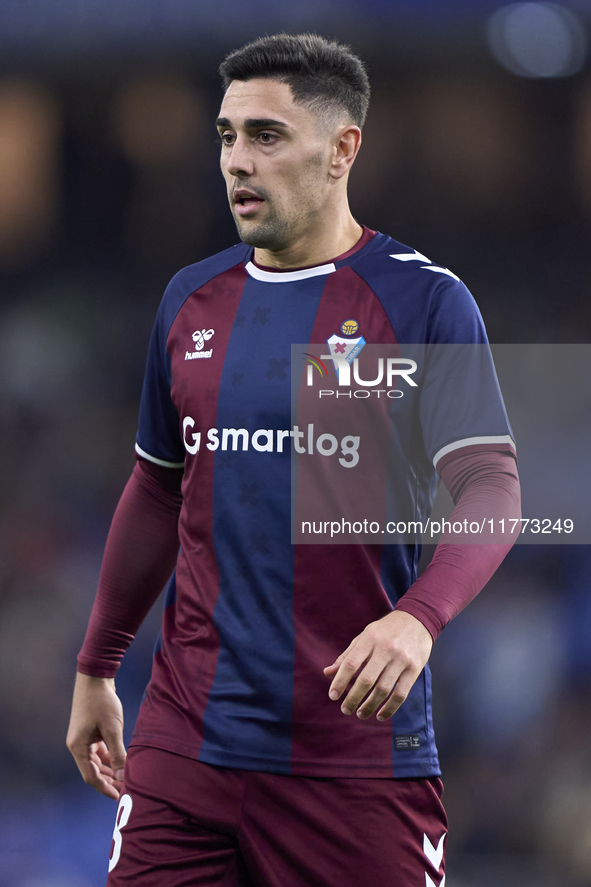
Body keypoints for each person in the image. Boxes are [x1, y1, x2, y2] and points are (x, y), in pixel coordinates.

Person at [67, 33, 521, 886]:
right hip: (185, 744)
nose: (237, 160)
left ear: (342, 147)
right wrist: (97, 663)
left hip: (350, 760)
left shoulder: (419, 299)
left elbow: (490, 484)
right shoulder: (190, 300)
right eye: (226, 135)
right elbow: (157, 490)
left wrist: (416, 617)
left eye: (266, 136)